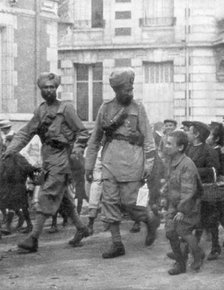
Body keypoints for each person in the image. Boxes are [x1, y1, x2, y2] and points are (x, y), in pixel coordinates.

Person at [3, 72, 90, 253]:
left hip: (63, 158)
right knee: (65, 200)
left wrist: (77, 150)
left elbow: (82, 132)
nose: (49, 90)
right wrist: (11, 150)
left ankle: (33, 238)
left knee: (46, 195)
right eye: (45, 88)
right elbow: (26, 132)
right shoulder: (41, 111)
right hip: (48, 158)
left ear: (56, 88)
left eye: (52, 87)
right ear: (40, 90)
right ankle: (82, 228)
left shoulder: (66, 109)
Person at [85, 67, 159, 259]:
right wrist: (89, 165)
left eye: (131, 88)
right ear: (116, 90)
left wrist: (148, 166)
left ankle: (150, 219)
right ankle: (117, 243)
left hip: (133, 162)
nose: (130, 92)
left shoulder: (138, 108)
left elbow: (149, 139)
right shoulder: (105, 108)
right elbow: (94, 140)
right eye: (126, 89)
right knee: (109, 202)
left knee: (130, 204)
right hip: (109, 162)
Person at [165, 130, 204, 275]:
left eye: (169, 144)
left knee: (183, 231)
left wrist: (181, 210)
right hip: (174, 203)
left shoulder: (187, 165)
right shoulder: (172, 161)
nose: (166, 146)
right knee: (170, 232)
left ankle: (194, 256)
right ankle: (183, 259)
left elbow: (188, 191)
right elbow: (172, 183)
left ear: (180, 147)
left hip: (188, 206)